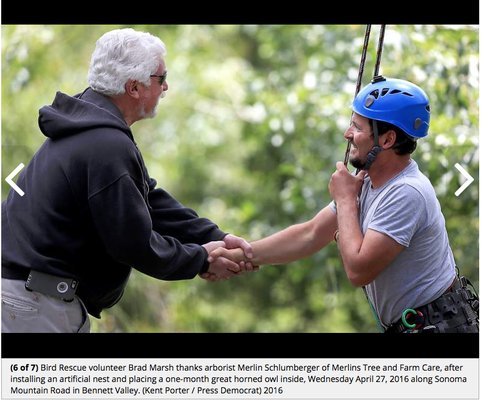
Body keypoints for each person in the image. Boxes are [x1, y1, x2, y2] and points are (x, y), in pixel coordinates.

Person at [1, 28, 253, 333]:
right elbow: (133, 243)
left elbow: (147, 199)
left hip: (27, 298)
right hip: (35, 304)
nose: (166, 87)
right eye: (161, 78)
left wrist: (212, 236)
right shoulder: (106, 144)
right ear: (134, 88)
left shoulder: (88, 123)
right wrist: (201, 260)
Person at [208, 76, 479, 333]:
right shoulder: (368, 182)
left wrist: (346, 199)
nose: (347, 134)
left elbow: (358, 270)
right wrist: (236, 255)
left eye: (358, 127)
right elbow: (311, 234)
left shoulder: (406, 193)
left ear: (387, 140)